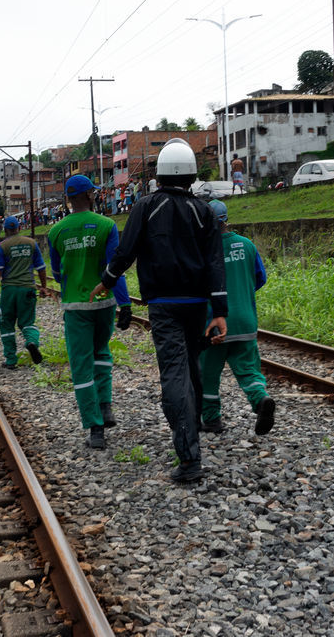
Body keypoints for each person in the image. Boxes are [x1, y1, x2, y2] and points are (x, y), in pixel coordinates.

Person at [91, 138, 227, 484]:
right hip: (197, 305)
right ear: (192, 176)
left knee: (174, 374)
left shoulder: (145, 206)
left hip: (164, 306)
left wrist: (107, 280)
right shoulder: (205, 211)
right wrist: (220, 310)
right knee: (191, 369)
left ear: (160, 174)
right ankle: (192, 430)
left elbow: (126, 251)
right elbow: (214, 263)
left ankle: (189, 458)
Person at [48, 175, 131, 449]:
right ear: (90, 196)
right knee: (102, 354)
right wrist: (125, 303)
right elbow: (113, 268)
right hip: (104, 303)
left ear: (70, 199)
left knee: (81, 365)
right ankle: (105, 405)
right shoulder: (107, 225)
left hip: (75, 306)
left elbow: (57, 273)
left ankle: (95, 428)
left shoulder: (55, 231)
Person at [199, 199, 276, 436]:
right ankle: (260, 399)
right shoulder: (247, 245)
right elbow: (259, 278)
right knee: (249, 370)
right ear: (226, 220)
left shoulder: (202, 249)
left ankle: (212, 420)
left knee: (208, 374)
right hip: (245, 320)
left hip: (213, 324)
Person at [0, 216, 48, 369]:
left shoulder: (2, 246)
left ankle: (10, 360)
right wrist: (43, 287)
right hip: (28, 288)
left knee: (7, 323)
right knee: (27, 322)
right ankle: (31, 342)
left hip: (9, 290)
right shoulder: (31, 243)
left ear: (5, 229)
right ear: (19, 228)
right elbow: (41, 268)